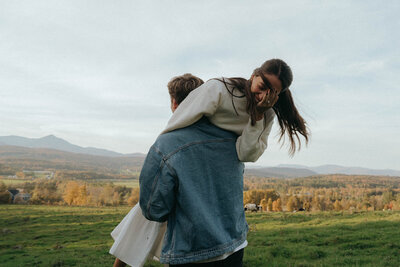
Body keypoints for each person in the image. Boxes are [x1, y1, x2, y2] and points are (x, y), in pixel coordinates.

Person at [140, 59, 309, 265]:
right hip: (232, 242)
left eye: (272, 93)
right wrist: (167, 146)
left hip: (213, 248)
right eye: (262, 87)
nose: (263, 96)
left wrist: (257, 116)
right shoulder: (220, 89)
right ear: (253, 75)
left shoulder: (267, 113)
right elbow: (182, 118)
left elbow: (247, 153)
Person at [110, 74, 205, 267]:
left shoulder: (169, 140)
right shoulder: (214, 134)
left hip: (178, 209)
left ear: (174, 103)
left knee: (146, 212)